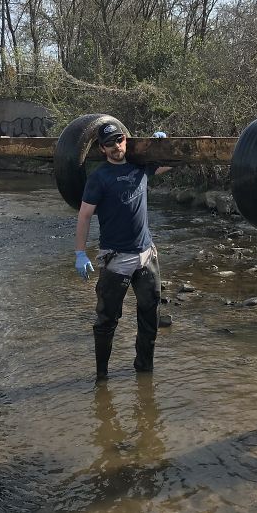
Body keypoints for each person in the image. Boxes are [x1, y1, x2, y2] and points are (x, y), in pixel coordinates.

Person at [74, 124, 170, 381]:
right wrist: (80, 253)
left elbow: (170, 164)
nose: (117, 146)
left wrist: (163, 146)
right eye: (110, 143)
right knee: (106, 322)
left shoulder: (140, 167)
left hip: (147, 256)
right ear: (102, 148)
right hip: (116, 259)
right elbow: (84, 216)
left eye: (119, 140)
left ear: (125, 140)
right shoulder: (99, 177)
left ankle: (144, 372)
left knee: (150, 316)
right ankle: (102, 377)